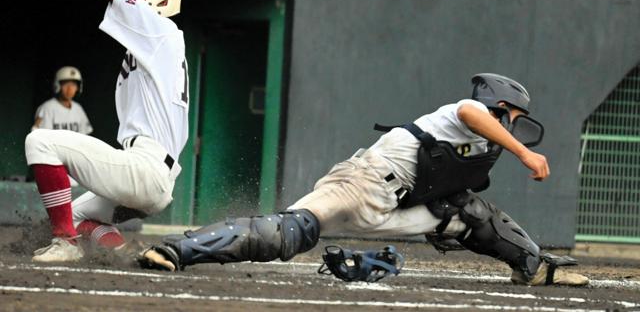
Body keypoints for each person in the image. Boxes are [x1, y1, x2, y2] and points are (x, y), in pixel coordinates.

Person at [139, 74, 588, 286]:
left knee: (469, 213)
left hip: (401, 207)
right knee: (291, 233)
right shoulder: (463, 114)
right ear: (499, 105)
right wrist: (525, 152)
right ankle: (177, 250)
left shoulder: (480, 142)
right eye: (513, 115)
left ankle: (536, 265)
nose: (515, 125)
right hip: (363, 184)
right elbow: (472, 112)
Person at [26, 0, 189, 263]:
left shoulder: (161, 30)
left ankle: (64, 245)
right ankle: (124, 253)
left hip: (145, 167)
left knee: (40, 143)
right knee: (81, 214)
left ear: (159, 0)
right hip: (157, 178)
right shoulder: (155, 46)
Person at [33, 66, 93, 135]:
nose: (70, 89)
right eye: (66, 84)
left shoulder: (78, 109)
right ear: (57, 85)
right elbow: (41, 138)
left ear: (78, 88)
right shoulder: (47, 108)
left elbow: (85, 136)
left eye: (73, 84)